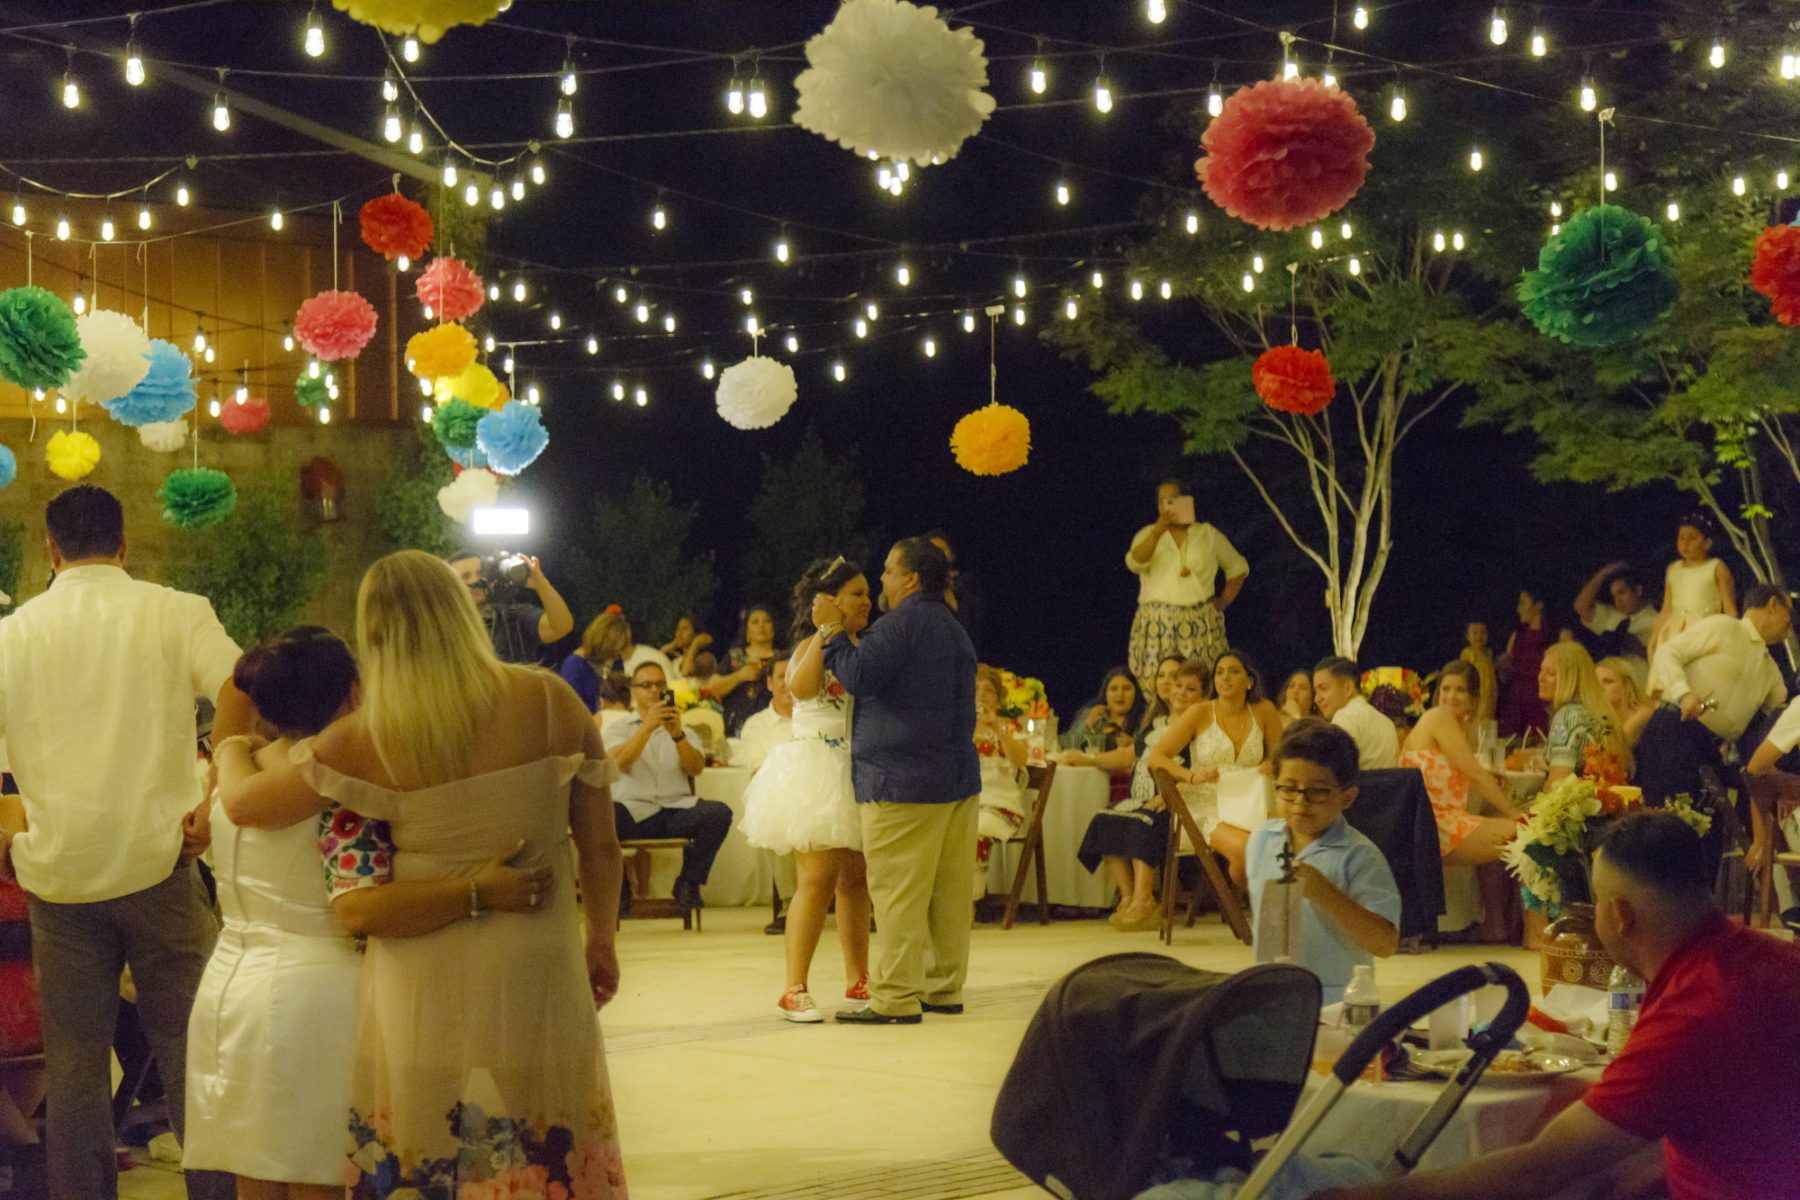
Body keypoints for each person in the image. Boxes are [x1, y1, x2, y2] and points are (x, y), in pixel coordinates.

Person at [215, 550, 627, 1199]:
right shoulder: (550, 700)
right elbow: (601, 846)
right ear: (462, 612)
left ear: (373, 635)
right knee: (549, 1150)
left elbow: (245, 807)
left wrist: (230, 745)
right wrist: (601, 936)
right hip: (537, 965)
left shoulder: (367, 736)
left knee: (426, 1155)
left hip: (421, 978)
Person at [185, 627, 550, 1199]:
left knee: (255, 1175)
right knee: (320, 1177)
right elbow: (357, 908)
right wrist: (476, 889)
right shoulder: (343, 784)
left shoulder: (241, 769)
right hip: (316, 1002)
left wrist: (228, 743)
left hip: (229, 992)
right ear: (353, 695)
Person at [1320, 811, 1800, 1200]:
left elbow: (1537, 1169)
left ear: (1619, 915)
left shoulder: (1693, 1013)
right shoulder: (1770, 957)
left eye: (1595, 900)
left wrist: (1370, 1197)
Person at [0, 485, 247, 1200]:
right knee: (193, 1052)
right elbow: (242, 682)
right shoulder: (175, 611)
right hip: (159, 864)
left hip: (59, 878)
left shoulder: (13, 636)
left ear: (51, 551)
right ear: (124, 542)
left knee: (75, 1066)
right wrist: (214, 793)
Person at [814, 538, 980, 1025]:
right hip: (955, 777)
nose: (881, 580)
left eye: (888, 571)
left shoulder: (901, 624)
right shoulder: (953, 627)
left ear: (910, 579)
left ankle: (895, 997)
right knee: (947, 895)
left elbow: (858, 675)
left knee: (899, 894)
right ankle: (943, 987)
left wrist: (830, 628)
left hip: (903, 778)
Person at [740, 559, 873, 1022]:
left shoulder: (866, 647)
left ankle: (860, 978)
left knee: (856, 882)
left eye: (868, 593)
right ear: (832, 600)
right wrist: (825, 631)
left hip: (858, 768)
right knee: (815, 881)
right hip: (817, 767)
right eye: (857, 593)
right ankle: (794, 986)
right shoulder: (807, 645)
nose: (868, 601)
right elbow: (801, 686)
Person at [1244, 720, 1400, 1004]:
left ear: (1347, 797)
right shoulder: (1261, 842)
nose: (1300, 803)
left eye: (1317, 791)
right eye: (1289, 789)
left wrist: (1325, 894)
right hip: (1269, 996)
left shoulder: (1359, 856)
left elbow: (1385, 943)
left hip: (1335, 1004)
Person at [1145, 649, 1285, 912]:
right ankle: (1260, 909)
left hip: (1251, 798)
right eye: (1219, 672)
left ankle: (1276, 918)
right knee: (1248, 851)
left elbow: (1281, 756)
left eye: (1234, 671)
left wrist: (1270, 764)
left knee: (1279, 845)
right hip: (1207, 803)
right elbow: (1156, 757)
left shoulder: (1264, 710)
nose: (1225, 677)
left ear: (1249, 681)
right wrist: (1191, 776)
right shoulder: (1199, 712)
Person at [1078, 657, 1207, 928]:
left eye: (1189, 688)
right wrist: (1085, 758)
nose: (1179, 691)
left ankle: (1144, 899)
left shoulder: (1200, 726)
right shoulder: (1156, 721)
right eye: (1176, 684)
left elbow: (1200, 770)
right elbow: (1130, 756)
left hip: (1171, 800)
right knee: (1106, 817)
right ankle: (1127, 896)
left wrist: (1169, 795)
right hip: (1139, 795)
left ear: (1203, 695)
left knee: (1144, 821)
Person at [1399, 661, 1522, 943]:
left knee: (1496, 822)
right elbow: (1475, 775)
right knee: (1528, 836)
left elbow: (1460, 772)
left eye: (1460, 691)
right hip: (1436, 828)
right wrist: (1515, 812)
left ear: (1473, 699)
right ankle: (1529, 930)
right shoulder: (1438, 717)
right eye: (1445, 689)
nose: (1451, 696)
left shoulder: (1450, 726)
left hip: (1436, 823)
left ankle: (1498, 925)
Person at [1640, 582, 1791, 805]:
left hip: (1712, 749)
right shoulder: (1724, 627)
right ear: (1774, 605)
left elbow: (1783, 714)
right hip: (1675, 726)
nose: (1790, 626)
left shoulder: (1771, 671)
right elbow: (1668, 652)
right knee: (1672, 810)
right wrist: (1684, 694)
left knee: (1703, 819)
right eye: (1789, 613)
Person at [607, 660, 733, 909]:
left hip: (675, 810)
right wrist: (646, 728)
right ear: (633, 691)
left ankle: (687, 882)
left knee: (718, 813)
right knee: (602, 815)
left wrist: (677, 735)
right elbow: (615, 764)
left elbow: (696, 768)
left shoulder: (682, 728)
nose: (654, 690)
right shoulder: (618, 728)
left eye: (660, 684)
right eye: (646, 685)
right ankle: (618, 887)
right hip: (633, 812)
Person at [1124, 480, 1249, 695]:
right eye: (1162, 501)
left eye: (1173, 499)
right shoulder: (1147, 534)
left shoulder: (1207, 534)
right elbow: (1135, 563)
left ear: (1186, 500)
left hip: (1200, 621)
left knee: (1200, 682)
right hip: (1157, 623)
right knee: (1158, 686)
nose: (1167, 505)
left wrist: (1222, 602)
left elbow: (1237, 568)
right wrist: (1157, 532)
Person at [447, 548, 574, 665]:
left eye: (480, 573)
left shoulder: (511, 616)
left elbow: (561, 627)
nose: (475, 580)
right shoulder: (444, 625)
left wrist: (541, 585)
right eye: (465, 576)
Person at [973, 665, 1031, 899]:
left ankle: (969, 901)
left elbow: (1020, 759)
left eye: (989, 690)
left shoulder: (1012, 726)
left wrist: (998, 727)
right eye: (975, 689)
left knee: (976, 831)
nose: (981, 694)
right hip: (965, 803)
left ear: (998, 698)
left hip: (1000, 805)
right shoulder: (956, 727)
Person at [1539, 641, 1633, 784]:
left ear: (1571, 679)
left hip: (1578, 804)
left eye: (1551, 673)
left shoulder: (1567, 717)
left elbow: (1557, 786)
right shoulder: (1599, 711)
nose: (1540, 678)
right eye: (1541, 670)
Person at [1651, 514, 1736, 652]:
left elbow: (1729, 609)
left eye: (1692, 538)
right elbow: (1667, 609)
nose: (1685, 544)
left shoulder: (1716, 567)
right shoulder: (1673, 569)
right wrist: (1655, 638)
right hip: (1674, 634)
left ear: (1707, 543)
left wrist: (1730, 637)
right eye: (1682, 538)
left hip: (1705, 632)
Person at [1059, 667, 1145, 802]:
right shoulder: (1093, 713)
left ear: (1136, 693)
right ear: (1105, 693)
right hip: (1086, 782)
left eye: (1126, 688)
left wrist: (1132, 744)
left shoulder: (1144, 718)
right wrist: (1087, 724)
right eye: (1113, 689)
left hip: (1125, 788)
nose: (1120, 694)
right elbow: (1067, 746)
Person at [1311, 657, 1399, 771]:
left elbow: (1332, 773)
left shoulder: (1345, 716)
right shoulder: (1388, 723)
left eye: (1323, 688)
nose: (1317, 699)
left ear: (1348, 688)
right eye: (1315, 692)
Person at [715, 605, 783, 737]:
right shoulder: (735, 657)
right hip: (736, 727)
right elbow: (712, 688)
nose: (761, 626)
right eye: (755, 622)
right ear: (747, 631)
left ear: (774, 629)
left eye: (767, 621)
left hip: (773, 727)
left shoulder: (782, 659)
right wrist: (738, 677)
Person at [1496, 587, 1551, 739]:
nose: (1518, 608)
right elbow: (1506, 671)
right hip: (1516, 702)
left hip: (1540, 701)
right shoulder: (1517, 635)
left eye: (1523, 603)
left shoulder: (1551, 636)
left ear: (1538, 605)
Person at [1575, 561, 1658, 652]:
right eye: (1614, 596)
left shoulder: (1656, 620)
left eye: (1621, 593)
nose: (1618, 601)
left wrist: (1639, 648)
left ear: (1638, 590)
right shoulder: (1612, 615)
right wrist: (1605, 572)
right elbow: (1581, 606)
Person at [927, 530, 987, 651]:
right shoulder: (915, 587)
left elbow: (970, 629)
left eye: (940, 550)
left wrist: (948, 595)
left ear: (952, 556)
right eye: (929, 550)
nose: (935, 555)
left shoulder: (965, 584)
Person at [734, 653, 794, 772]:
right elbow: (758, 773)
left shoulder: (813, 721)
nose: (788, 682)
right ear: (770, 683)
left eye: (793, 676)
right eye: (782, 676)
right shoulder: (755, 725)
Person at [1595, 655, 1656, 750]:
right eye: (1596, 683)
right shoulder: (1595, 718)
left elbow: (1615, 751)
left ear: (1627, 685)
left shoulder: (1644, 714)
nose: (1600, 687)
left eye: (1608, 681)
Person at [1459, 620, 1497, 724]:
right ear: (1467, 636)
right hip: (1476, 698)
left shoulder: (1489, 653)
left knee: (1487, 723)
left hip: (1489, 696)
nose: (1479, 636)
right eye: (1475, 633)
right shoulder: (1467, 653)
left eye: (1483, 633)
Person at [1140, 654, 1189, 736]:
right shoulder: (1152, 718)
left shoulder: (1191, 718)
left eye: (1174, 676)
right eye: (1161, 676)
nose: (1165, 681)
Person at [659, 612, 712, 678]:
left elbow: (685, 673)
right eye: (678, 629)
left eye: (684, 628)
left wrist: (696, 643)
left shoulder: (705, 658)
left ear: (696, 634)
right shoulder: (677, 661)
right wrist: (672, 645)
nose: (679, 633)